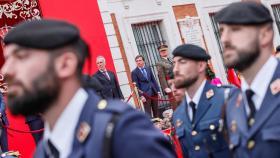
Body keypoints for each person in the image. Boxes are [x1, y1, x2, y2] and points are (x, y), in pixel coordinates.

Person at [1, 19, 176, 158]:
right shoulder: (44, 150)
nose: (5, 70)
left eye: (20, 57)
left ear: (65, 64)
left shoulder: (121, 131)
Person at [215, 1, 280, 158]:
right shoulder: (231, 106)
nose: (224, 39)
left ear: (264, 34)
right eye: (222, 32)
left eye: (235, 30)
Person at [172, 44, 231, 158]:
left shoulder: (226, 98)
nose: (175, 69)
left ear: (200, 66)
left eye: (182, 62)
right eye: (174, 63)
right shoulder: (178, 115)